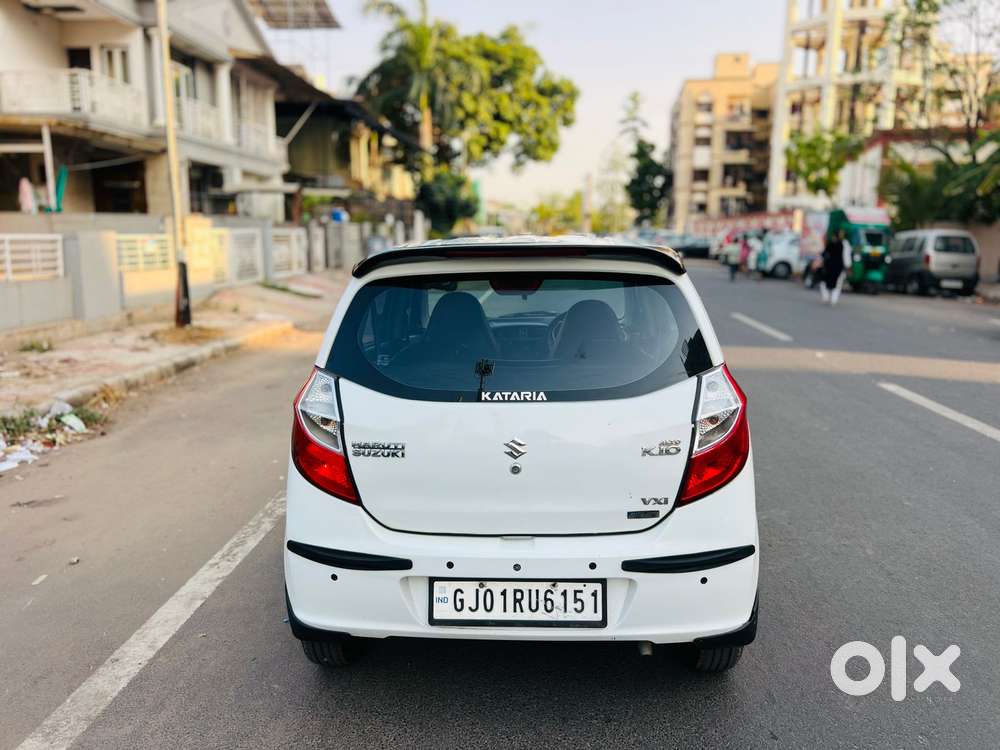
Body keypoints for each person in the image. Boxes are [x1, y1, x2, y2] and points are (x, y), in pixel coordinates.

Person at [820, 230, 853, 305]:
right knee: (836, 284)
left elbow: (824, 254)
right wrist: (848, 267)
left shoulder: (831, 243)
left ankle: (827, 297)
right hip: (837, 267)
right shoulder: (844, 244)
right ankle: (832, 299)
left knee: (826, 282)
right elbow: (846, 257)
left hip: (829, 266)